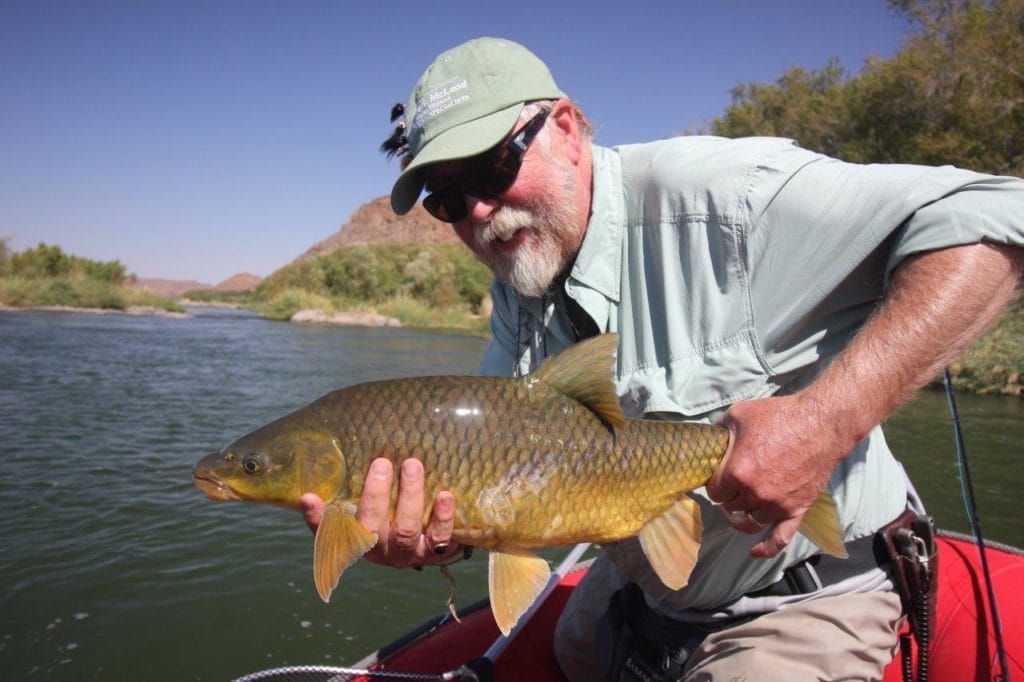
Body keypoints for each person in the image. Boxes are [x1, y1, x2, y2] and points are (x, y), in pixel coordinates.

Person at [302, 37, 1024, 680]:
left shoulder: (732, 200)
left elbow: (998, 217)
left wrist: (825, 421)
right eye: (447, 200)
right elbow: (500, 469)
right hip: (647, 581)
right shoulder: (519, 270)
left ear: (564, 129)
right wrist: (436, 535)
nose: (477, 213)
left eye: (492, 168)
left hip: (802, 590)